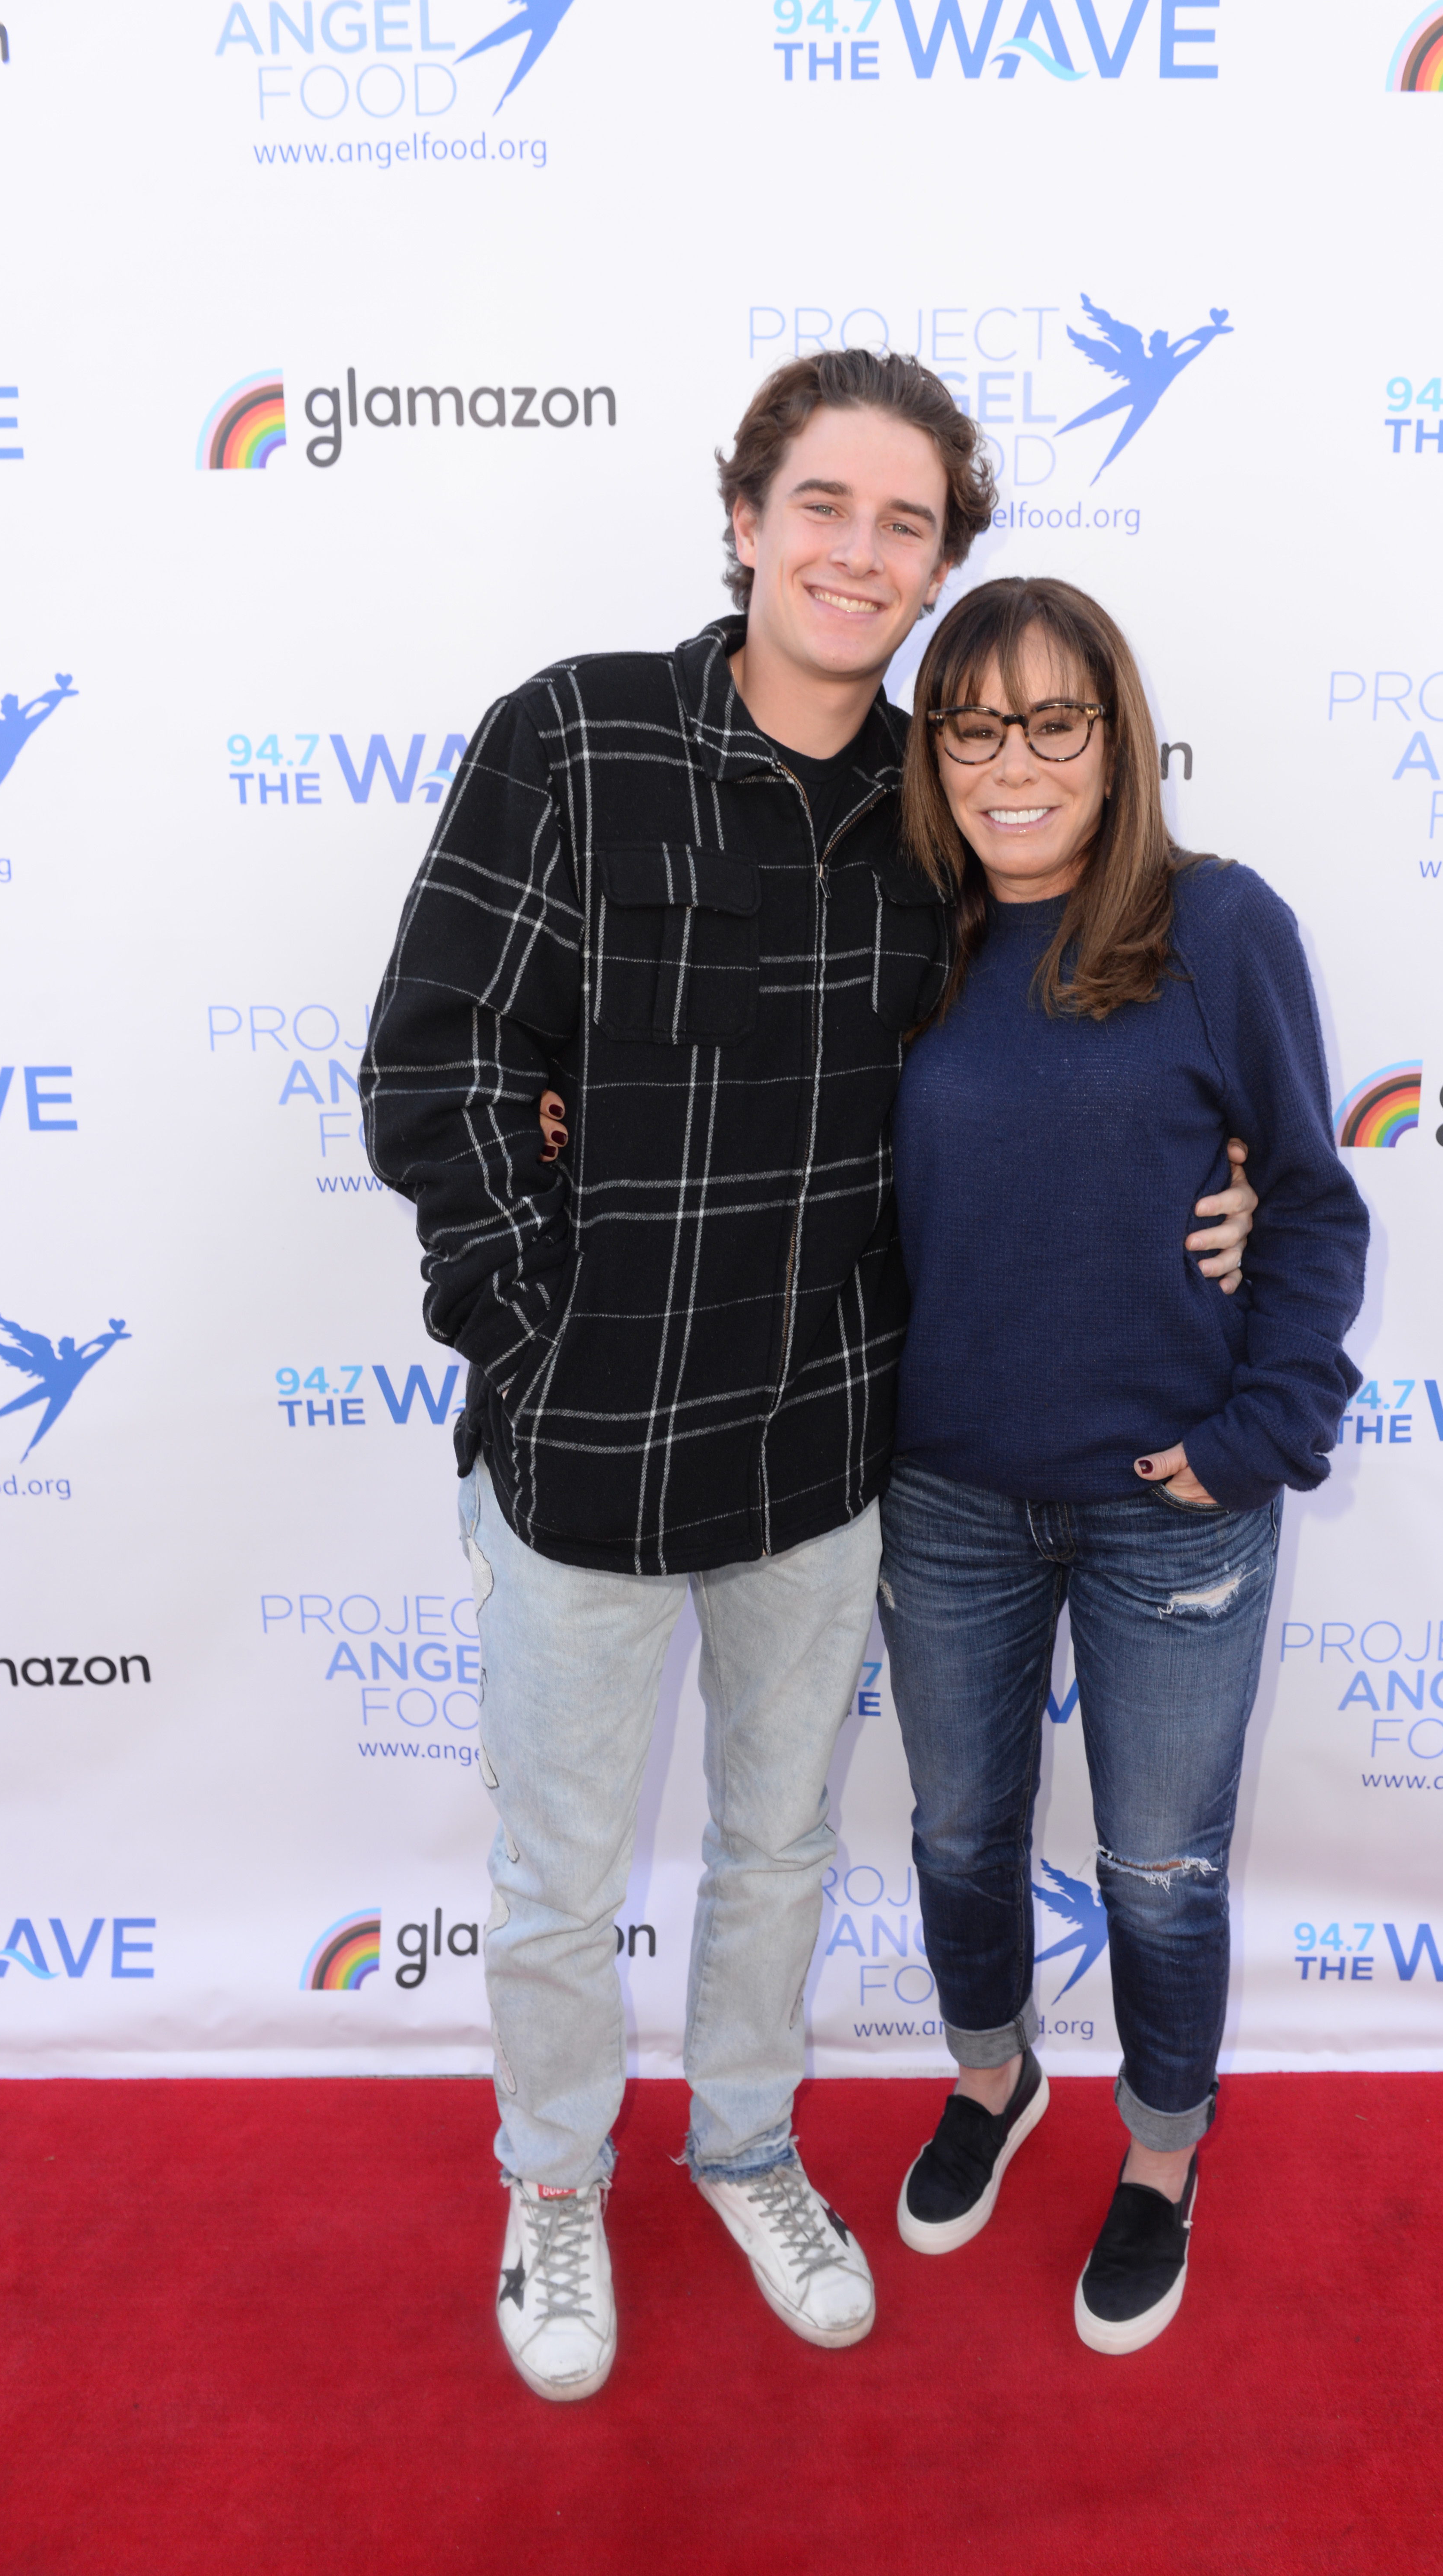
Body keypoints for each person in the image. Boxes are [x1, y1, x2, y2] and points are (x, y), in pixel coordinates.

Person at [365, 354, 1258, 2405]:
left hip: (823, 1455)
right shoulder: (575, 735)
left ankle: (748, 2149)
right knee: (555, 1879)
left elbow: (1065, 1052)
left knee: (779, 1853)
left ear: (943, 560)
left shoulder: (936, 817)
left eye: (908, 524)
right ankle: (556, 2184)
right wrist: (536, 1323)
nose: (863, 553)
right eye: (826, 506)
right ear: (747, 518)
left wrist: (1214, 1189)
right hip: (582, 1453)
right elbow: (435, 1062)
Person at [874, 575, 1369, 2354]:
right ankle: (991, 2077)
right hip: (942, 1491)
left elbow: (1308, 1202)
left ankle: (1159, 2151)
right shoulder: (898, 937)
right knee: (951, 1828)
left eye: (1052, 721)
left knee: (1157, 1865)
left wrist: (1255, 1433)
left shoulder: (1214, 926)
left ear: (1115, 737)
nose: (1013, 762)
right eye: (972, 724)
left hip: (1174, 1501)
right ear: (932, 750)